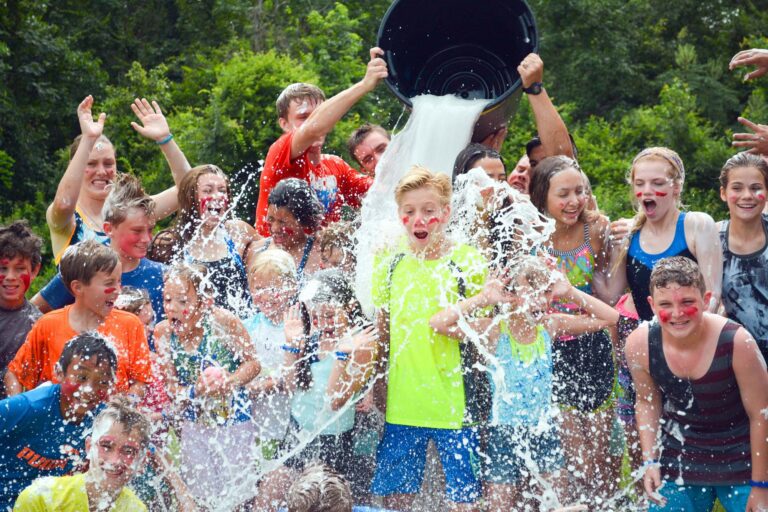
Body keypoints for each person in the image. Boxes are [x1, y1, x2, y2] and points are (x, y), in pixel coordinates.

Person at [430, 256, 620, 510]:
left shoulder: (551, 325)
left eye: (546, 293)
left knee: (555, 502)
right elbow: (438, 323)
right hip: (503, 432)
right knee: (501, 505)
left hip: (544, 429)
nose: (540, 300)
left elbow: (611, 318)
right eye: (531, 293)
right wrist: (483, 299)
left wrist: (571, 292)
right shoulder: (495, 330)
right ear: (510, 295)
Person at [370, 166, 486, 511]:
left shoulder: (468, 262)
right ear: (400, 215)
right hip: (404, 402)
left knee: (463, 500)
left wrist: (461, 327)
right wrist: (379, 380)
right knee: (396, 498)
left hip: (457, 403)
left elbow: (487, 329)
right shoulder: (388, 262)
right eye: (409, 212)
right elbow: (383, 327)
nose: (419, 219)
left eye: (428, 211)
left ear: (445, 213)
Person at [626, 257, 768, 512]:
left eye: (687, 302)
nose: (677, 314)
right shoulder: (640, 344)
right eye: (666, 305)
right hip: (680, 456)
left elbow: (761, 415)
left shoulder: (736, 342)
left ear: (706, 300)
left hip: (743, 456)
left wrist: (760, 485)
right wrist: (650, 460)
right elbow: (647, 401)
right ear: (651, 305)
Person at [528, 155, 618, 499]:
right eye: (563, 194)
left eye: (580, 192)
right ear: (543, 197)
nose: (574, 201)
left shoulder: (597, 229)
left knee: (597, 458)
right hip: (551, 353)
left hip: (594, 346)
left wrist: (575, 322)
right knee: (572, 456)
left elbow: (610, 295)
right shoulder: (531, 235)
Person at [153, 263, 260, 505]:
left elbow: (253, 363)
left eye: (183, 301)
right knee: (197, 499)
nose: (173, 308)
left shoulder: (222, 322)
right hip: (194, 425)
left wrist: (230, 382)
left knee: (236, 498)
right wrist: (196, 390)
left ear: (204, 302)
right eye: (167, 300)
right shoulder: (163, 333)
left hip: (235, 423)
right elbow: (172, 390)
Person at [254, 48, 389, 236]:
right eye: (304, 117)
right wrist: (365, 84)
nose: (316, 121)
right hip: (274, 257)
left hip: (320, 260)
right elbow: (313, 128)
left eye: (321, 113)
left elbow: (381, 194)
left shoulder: (336, 166)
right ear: (284, 124)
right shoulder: (279, 152)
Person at [47, 96, 190, 262]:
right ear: (76, 167)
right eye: (91, 164)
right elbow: (63, 203)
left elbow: (188, 189)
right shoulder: (67, 220)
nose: (101, 171)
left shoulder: (132, 212)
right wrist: (88, 139)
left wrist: (165, 139)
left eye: (108, 163)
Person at [5, 240, 151, 397]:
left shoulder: (130, 324)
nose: (118, 290)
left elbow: (140, 382)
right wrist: (19, 411)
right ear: (78, 287)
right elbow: (13, 375)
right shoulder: (48, 326)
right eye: (110, 283)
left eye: (119, 281)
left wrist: (121, 409)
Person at [0, 333, 117, 510]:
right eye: (82, 377)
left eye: (102, 382)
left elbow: (145, 448)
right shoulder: (29, 407)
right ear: (59, 372)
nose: (89, 390)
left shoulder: (102, 421)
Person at [33, 173, 165, 328]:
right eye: (137, 231)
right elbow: (31, 314)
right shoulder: (83, 269)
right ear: (108, 229)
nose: (147, 239)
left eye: (150, 230)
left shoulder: (163, 275)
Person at [607, 147, 723, 320]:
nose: (646, 190)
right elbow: (609, 297)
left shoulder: (698, 225)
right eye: (640, 184)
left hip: (694, 338)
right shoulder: (627, 235)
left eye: (657, 183)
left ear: (676, 187)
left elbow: (712, 296)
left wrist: (682, 336)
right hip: (649, 342)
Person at [14, 398, 150, 512]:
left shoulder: (137, 509)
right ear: (89, 447)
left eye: (128, 451)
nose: (114, 460)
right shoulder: (41, 497)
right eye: (106, 446)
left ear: (141, 460)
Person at [170, 164, 259, 318]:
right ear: (192, 199)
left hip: (242, 328)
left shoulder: (238, 231)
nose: (217, 196)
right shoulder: (177, 242)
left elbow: (274, 256)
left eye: (222, 190)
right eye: (208, 190)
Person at [718, 152, 768, 362]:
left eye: (756, 187)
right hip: (735, 359)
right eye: (737, 188)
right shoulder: (710, 239)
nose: (747, 195)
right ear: (723, 193)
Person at [248, 178, 325, 281]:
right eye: (271, 219)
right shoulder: (255, 251)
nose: (275, 228)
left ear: (304, 222)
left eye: (283, 222)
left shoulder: (321, 255)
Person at [0, 221, 42, 398]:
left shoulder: (38, 325)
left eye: (19, 269)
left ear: (34, 271)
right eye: (3, 268)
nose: (10, 277)